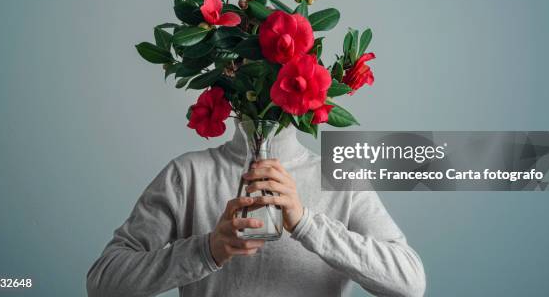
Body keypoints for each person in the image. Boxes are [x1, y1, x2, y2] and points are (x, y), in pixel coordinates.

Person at [87, 124, 426, 296]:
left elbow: (409, 282)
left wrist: (307, 224)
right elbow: (103, 280)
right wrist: (206, 250)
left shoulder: (340, 181)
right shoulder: (187, 175)